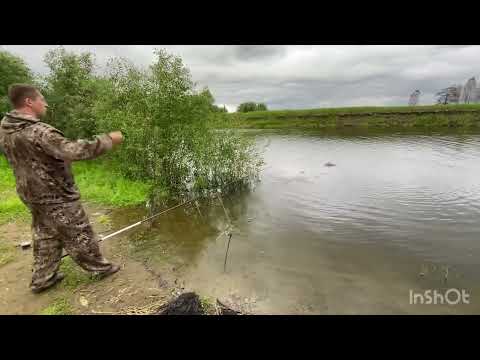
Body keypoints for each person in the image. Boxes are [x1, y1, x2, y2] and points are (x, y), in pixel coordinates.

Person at [0, 84, 124, 293]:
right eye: (41, 99)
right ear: (29, 102)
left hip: (30, 193)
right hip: (55, 195)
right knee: (78, 232)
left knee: (46, 234)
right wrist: (108, 140)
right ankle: (100, 268)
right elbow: (73, 151)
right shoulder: (39, 131)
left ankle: (43, 279)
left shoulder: (6, 127)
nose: (45, 103)